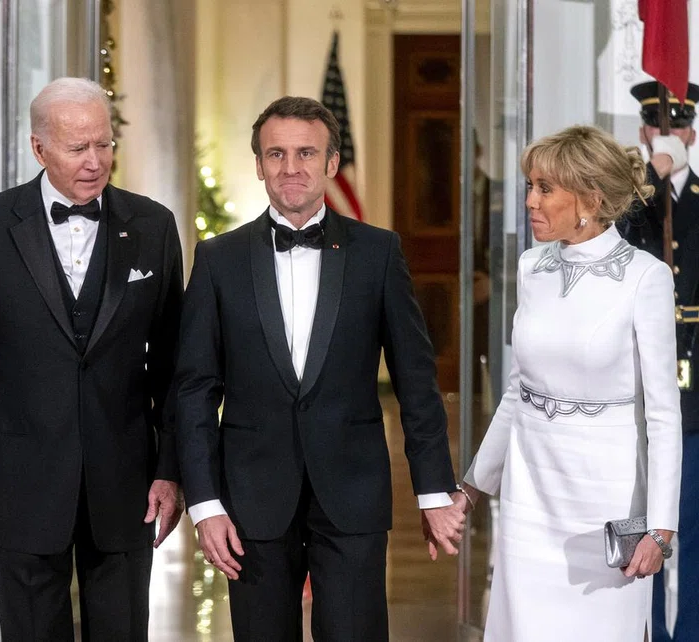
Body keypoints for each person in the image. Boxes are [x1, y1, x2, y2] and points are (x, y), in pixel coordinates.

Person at [173, 96, 465, 641]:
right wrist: (205, 504)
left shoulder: (378, 253)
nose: (291, 168)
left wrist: (433, 491)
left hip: (352, 492)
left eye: (306, 152)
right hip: (250, 499)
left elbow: (415, 379)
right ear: (258, 165)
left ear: (332, 162)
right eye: (276, 154)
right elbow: (193, 390)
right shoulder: (218, 259)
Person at [0, 77, 184, 641]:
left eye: (104, 144)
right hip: (23, 482)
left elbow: (173, 366)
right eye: (78, 148)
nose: (95, 161)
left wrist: (170, 469)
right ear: (39, 148)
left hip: (126, 484)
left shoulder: (154, 226)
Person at [459, 125, 682, 640]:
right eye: (530, 186)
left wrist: (661, 528)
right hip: (529, 495)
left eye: (544, 188)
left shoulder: (646, 278)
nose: (530, 201)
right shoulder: (532, 267)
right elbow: (518, 392)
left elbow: (663, 414)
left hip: (605, 504)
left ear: (590, 197)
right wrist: (470, 488)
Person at [618, 81, 699, 642]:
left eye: (677, 127)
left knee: (689, 529)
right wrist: (651, 175)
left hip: (693, 393)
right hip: (632, 393)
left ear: (693, 131)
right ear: (645, 132)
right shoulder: (630, 201)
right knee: (635, 527)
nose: (666, 135)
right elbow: (611, 242)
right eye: (656, 126)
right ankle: (640, 632)